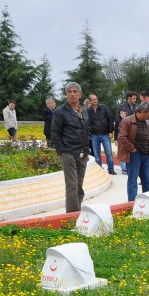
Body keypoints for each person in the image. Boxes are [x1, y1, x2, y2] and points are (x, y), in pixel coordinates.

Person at [50, 81, 91, 213]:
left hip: (82, 153)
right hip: (68, 153)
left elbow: (86, 131)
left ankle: (77, 212)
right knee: (72, 186)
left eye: (75, 92)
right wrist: (62, 152)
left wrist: (87, 150)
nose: (72, 94)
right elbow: (55, 134)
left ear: (80, 94)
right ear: (66, 94)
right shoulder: (60, 112)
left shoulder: (84, 111)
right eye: (69, 92)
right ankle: (72, 217)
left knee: (79, 185)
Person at [117, 102, 149, 202]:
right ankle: (132, 204)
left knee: (148, 181)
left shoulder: (146, 122)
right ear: (142, 112)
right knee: (133, 181)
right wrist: (132, 149)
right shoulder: (127, 121)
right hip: (134, 155)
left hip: (146, 155)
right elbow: (121, 137)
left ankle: (147, 202)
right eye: (148, 113)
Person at [87, 94, 116, 175]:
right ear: (90, 101)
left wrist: (110, 131)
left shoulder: (104, 107)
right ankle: (99, 169)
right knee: (96, 154)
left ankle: (111, 169)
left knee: (109, 153)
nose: (95, 100)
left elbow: (110, 119)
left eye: (96, 99)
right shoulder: (88, 111)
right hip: (94, 135)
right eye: (93, 99)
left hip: (105, 134)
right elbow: (87, 123)